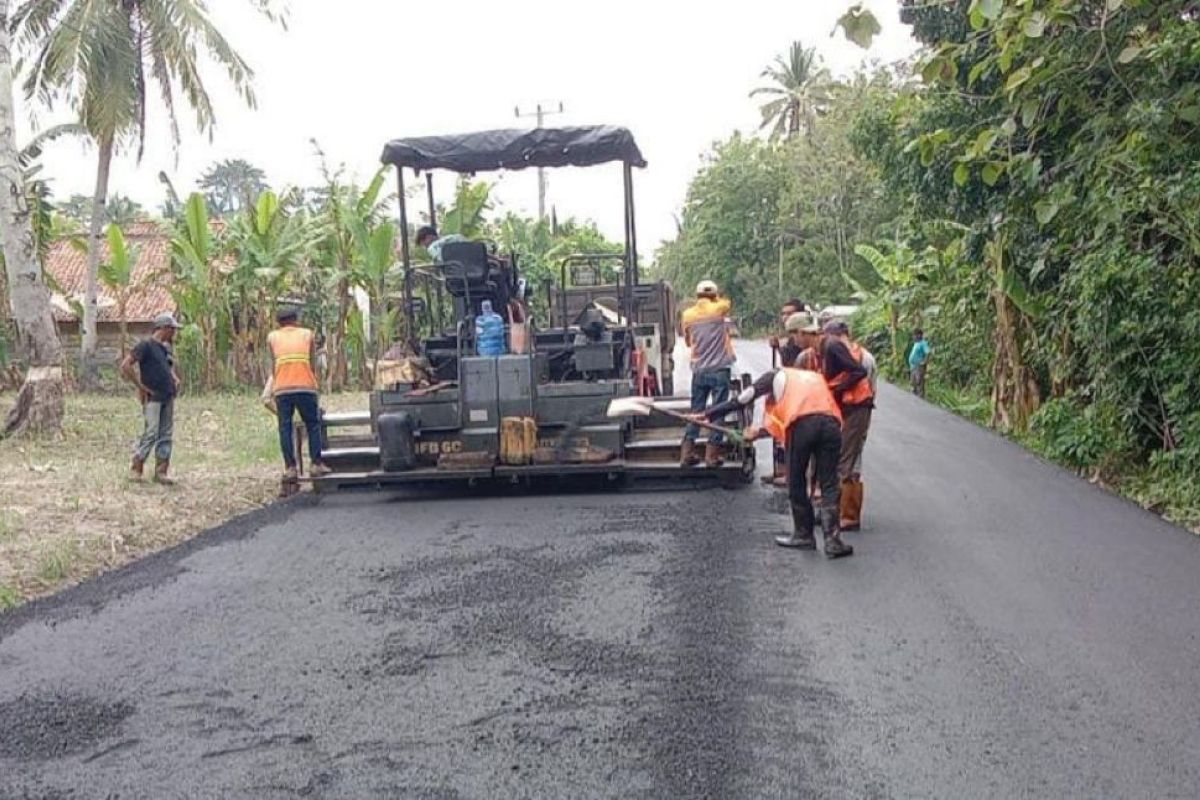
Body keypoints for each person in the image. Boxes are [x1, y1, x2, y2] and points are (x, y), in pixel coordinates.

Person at [697, 367, 853, 558]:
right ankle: (833, 541)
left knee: (796, 480)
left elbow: (742, 399)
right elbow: (793, 416)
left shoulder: (774, 376)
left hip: (802, 425)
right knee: (829, 483)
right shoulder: (813, 377)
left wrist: (708, 413)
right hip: (831, 424)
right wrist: (759, 432)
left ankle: (804, 534)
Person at [268, 307, 332, 483]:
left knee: (285, 427)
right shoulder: (307, 334)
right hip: (305, 386)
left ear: (278, 322)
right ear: (296, 320)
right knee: (312, 424)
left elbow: (273, 365)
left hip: (282, 388)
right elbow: (312, 364)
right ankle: (316, 464)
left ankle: (290, 468)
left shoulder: (272, 337)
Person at [823, 320, 874, 532]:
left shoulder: (855, 357)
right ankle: (847, 512)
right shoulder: (863, 355)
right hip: (858, 410)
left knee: (845, 460)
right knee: (853, 458)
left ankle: (847, 514)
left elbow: (864, 385)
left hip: (853, 409)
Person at [121, 313, 183, 484]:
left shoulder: (164, 349)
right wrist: (140, 386)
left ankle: (161, 470)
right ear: (164, 328)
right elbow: (126, 365)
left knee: (166, 433)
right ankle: (137, 466)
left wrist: (174, 379)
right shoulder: (145, 346)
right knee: (151, 432)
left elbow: (167, 367)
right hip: (153, 396)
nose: (174, 333)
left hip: (167, 395)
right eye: (172, 329)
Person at [679, 279, 736, 468]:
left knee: (696, 411)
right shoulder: (719, 309)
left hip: (699, 370)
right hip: (719, 370)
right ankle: (711, 456)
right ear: (714, 295)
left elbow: (688, 342)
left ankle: (687, 452)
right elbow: (727, 303)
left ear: (697, 296)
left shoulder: (688, 315)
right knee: (718, 411)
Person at [769, 298, 808, 368]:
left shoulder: (806, 334)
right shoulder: (792, 339)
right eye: (783, 314)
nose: (785, 317)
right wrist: (778, 347)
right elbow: (788, 363)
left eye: (789, 314)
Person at [909, 329, 932, 398]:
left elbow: (928, 352)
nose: (913, 337)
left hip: (919, 366)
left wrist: (924, 362)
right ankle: (914, 397)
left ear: (919, 335)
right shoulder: (916, 343)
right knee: (913, 382)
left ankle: (920, 398)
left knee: (919, 382)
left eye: (914, 335)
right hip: (913, 366)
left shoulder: (923, 343)